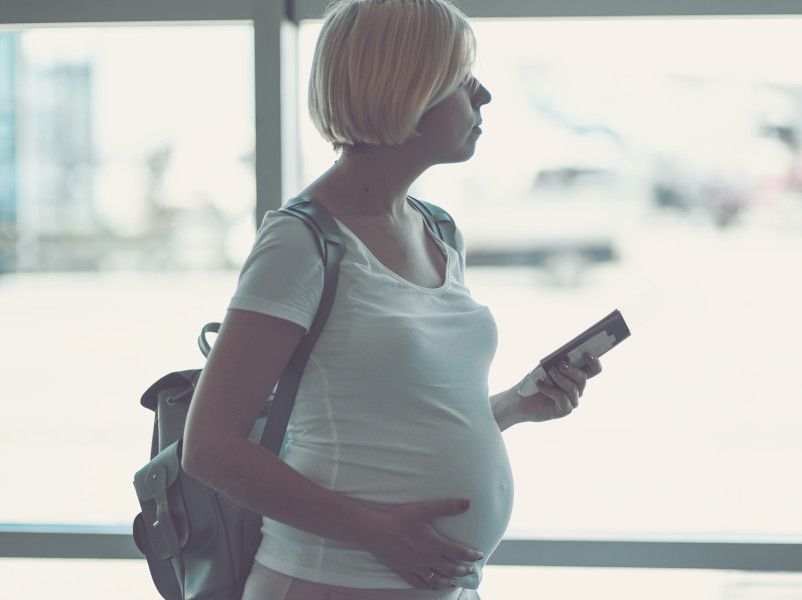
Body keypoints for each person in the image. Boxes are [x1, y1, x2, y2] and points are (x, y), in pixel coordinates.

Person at [181, 0, 605, 598]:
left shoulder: (439, 231)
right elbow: (209, 448)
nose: (483, 94)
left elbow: (402, 420)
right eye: (461, 78)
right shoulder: (300, 243)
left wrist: (513, 405)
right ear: (406, 89)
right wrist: (374, 533)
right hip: (327, 584)